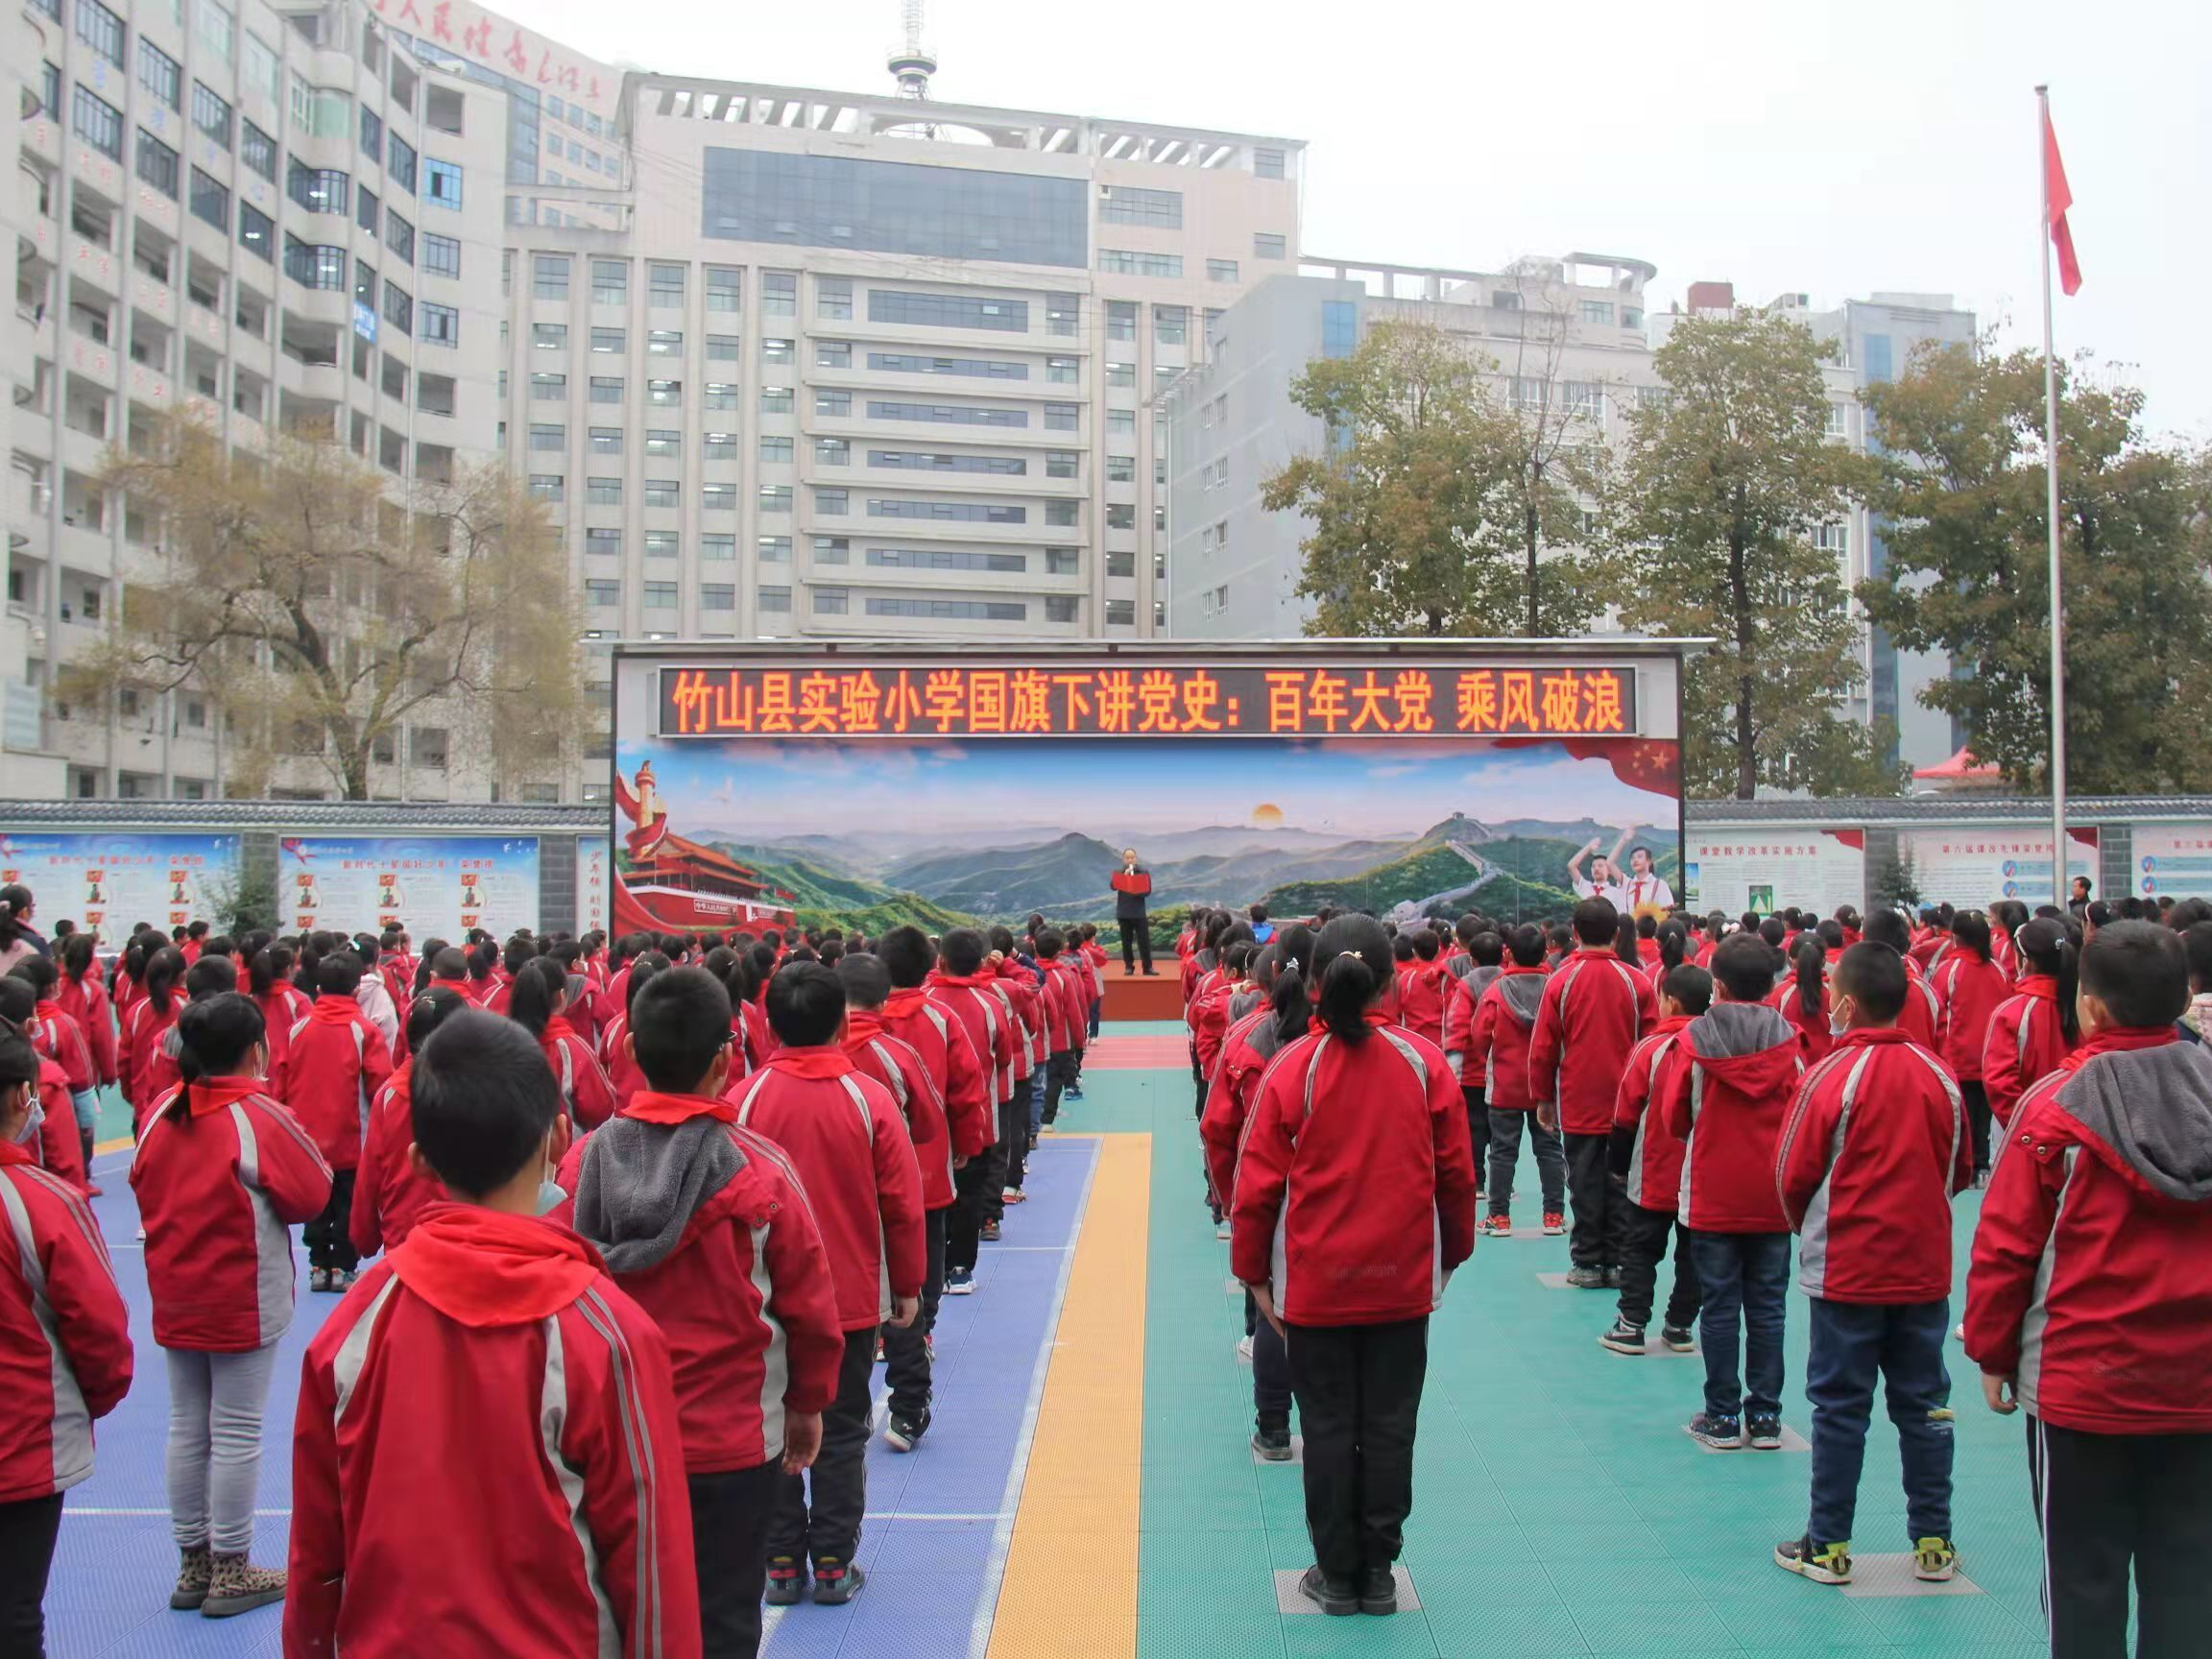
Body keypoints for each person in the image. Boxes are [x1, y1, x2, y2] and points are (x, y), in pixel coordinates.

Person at [285, 1010, 702, 1658]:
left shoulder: (354, 1327)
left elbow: (317, 1550)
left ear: (419, 1161)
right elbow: (650, 1559)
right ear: (559, 1138)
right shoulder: (609, 1334)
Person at [570, 968, 842, 1659]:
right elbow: (809, 1305)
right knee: (724, 1614)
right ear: (727, 1057)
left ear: (630, 1046)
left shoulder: (583, 1166)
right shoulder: (760, 1170)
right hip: (732, 1439)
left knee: (619, 1612)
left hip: (614, 1437)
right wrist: (808, 1403)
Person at [1965, 922, 2212, 1658]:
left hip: (2083, 1384)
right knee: (2190, 1577)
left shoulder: (2055, 1105)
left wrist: (1993, 1352)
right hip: (2199, 1383)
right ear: (2185, 997)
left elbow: (2008, 1243)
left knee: (2080, 1578)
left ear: (2091, 1006)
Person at [1232, 914, 1476, 1617]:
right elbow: (1457, 1174)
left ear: (1312, 982)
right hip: (1401, 1281)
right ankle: (1378, 1571)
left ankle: (1336, 1575)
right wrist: (1451, 1255)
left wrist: (1254, 1274)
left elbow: (1256, 1185)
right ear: (1390, 982)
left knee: (1329, 1426)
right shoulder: (1422, 1062)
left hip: (1315, 1286)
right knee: (1392, 1424)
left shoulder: (1293, 1067)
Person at [1773, 943, 1971, 1587]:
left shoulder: (1829, 1076)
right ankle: (1934, 1542)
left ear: (1849, 1004)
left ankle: (1829, 1544)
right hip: (1923, 1269)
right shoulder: (1940, 1077)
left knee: (1839, 1406)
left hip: (1846, 1272)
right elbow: (1960, 1168)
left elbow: (1791, 1173)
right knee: (1926, 1403)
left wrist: (1811, 1226)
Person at [727, 962, 925, 1609]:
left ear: (769, 1024)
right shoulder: (868, 1099)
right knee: (841, 1430)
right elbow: (901, 1202)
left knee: (772, 1425)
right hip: (849, 1297)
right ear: (842, 1021)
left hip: (764, 1298)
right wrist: (907, 1285)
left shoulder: (744, 1100)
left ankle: (781, 1561)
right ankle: (835, 1561)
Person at [132, 992, 329, 1619]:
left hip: (175, 1290)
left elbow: (141, 1181)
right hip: (242, 1294)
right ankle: (232, 1567)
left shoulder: (162, 1111)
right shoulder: (258, 1116)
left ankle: (193, 1561)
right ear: (255, 1050)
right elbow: (312, 1192)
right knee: (237, 1429)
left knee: (187, 1425)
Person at [0, 1012, 131, 1653]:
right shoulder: (40, 1200)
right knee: (14, 1612)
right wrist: (90, 1401)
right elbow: (99, 1328)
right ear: (22, 1097)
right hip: (19, 1439)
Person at [1660, 933, 1803, 1451]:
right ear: (1770, 984)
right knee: (1768, 1307)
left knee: (1719, 1306)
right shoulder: (1790, 1045)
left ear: (1716, 985)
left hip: (1712, 1193)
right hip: (1771, 1197)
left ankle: (1721, 1415)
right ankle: (1765, 1417)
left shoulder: (1693, 1043)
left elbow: (1675, 1116)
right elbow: (1803, 1120)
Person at [836, 952, 952, 1455]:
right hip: (884, 1198)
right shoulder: (894, 1055)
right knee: (903, 1302)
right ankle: (908, 1409)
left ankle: (828, 1418)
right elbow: (929, 1121)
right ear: (883, 1000)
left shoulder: (772, 1079)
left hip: (818, 1206)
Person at [1529, 899, 1656, 1288]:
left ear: (1575, 932)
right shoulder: (1637, 981)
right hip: (1627, 1104)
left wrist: (1543, 1097)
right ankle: (1616, 1262)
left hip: (1578, 1101)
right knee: (1621, 1181)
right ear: (1617, 934)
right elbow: (1652, 1044)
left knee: (1582, 1183)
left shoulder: (1561, 981)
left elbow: (1544, 1046)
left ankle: (1586, 1262)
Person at [1601, 963, 1706, 1356]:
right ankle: (1680, 1325)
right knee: (1693, 1254)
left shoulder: (1651, 1049)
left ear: (1671, 1002)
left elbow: (1625, 1113)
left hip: (1653, 1171)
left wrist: (1617, 1165)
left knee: (1639, 1249)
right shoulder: (1716, 1048)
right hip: (1701, 1177)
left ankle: (1631, 1324)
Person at [283, 955, 395, 1291]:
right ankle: (344, 1268)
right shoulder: (364, 1032)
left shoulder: (298, 1030)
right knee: (349, 1207)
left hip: (307, 1141)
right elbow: (379, 1086)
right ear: (356, 989)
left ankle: (318, 1265)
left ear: (318, 988)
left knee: (317, 1205)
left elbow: (281, 1084)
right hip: (351, 1140)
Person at [348, 987, 470, 1260]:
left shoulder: (390, 1095)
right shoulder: (480, 1095)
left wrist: (364, 1237)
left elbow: (370, 1174)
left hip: (404, 1240)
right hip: (464, 1240)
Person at [1471, 926, 1562, 1237]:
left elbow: (1479, 1035)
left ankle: (1499, 1217)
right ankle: (1553, 1216)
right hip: (1545, 1084)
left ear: (1508, 953)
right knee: (1550, 1149)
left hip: (1505, 1085)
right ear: (1545, 953)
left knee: (1502, 1151)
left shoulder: (1495, 992)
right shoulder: (1555, 987)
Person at [1982, 917, 2080, 1130]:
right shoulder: (2086, 1007)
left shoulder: (2010, 1013)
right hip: (2078, 1128)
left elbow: (1999, 1084)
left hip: (2025, 1131)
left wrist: (2028, 1130)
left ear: (2026, 962)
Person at [1934, 912, 2010, 1185]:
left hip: (1957, 1061)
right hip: (1992, 1059)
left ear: (1955, 937)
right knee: (1984, 1122)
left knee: (1963, 1120)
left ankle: (1964, 1172)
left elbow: (1936, 1011)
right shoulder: (1999, 971)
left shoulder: (1949, 970)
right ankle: (1981, 1169)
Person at [1112, 849, 1156, 974]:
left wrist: (1136, 888)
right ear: (1123, 859)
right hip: (1124, 913)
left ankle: (1147, 968)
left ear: (1136, 859)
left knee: (1144, 942)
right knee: (1126, 942)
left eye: (1132, 857)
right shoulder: (1119, 872)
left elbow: (1147, 891)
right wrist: (1124, 877)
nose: (1130, 860)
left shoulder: (1143, 872)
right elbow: (1112, 886)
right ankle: (1129, 967)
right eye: (1127, 858)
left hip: (1139, 913)